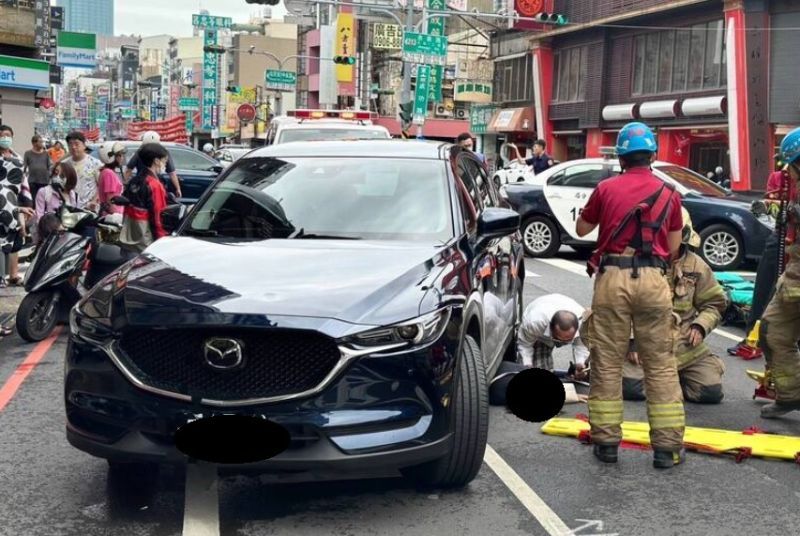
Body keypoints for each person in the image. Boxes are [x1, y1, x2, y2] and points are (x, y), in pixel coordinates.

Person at [576, 121, 685, 469]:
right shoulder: (670, 192)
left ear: (621, 157)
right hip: (654, 280)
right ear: (652, 154)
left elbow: (582, 228)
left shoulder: (606, 188)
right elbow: (674, 246)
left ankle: (606, 443)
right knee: (661, 366)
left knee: (607, 362)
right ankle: (667, 450)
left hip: (612, 278)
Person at [623, 208, 727, 404]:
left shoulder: (697, 266)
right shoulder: (635, 262)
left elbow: (714, 304)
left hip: (685, 348)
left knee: (709, 392)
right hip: (644, 344)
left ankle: (674, 376)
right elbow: (620, 306)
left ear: (684, 235)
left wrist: (700, 326)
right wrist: (632, 342)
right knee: (632, 388)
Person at [728, 164, 798, 357]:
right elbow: (767, 209)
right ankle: (752, 337)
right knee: (765, 288)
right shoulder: (780, 178)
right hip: (782, 236)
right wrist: (775, 212)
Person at [758, 127, 800, 419]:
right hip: (794, 279)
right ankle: (790, 395)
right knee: (772, 332)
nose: (789, 173)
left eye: (791, 166)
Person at [517, 294, 589, 374]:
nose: (562, 342)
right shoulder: (534, 323)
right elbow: (525, 345)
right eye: (558, 339)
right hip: (538, 334)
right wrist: (527, 364)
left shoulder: (584, 324)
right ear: (551, 328)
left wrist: (580, 364)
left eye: (568, 339)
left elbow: (581, 346)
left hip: (559, 311)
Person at [119, 143, 170, 253]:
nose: (165, 165)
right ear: (156, 161)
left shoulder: (135, 180)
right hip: (147, 240)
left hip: (130, 237)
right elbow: (158, 216)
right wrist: (162, 240)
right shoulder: (154, 185)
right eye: (164, 161)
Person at [0, 124, 33, 288]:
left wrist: (26, 203)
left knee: (15, 237)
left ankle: (13, 275)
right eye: (1, 135)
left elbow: (23, 182)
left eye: (7, 135)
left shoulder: (18, 159)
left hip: (14, 202)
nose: (5, 138)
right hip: (2, 202)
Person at [124, 131, 182, 198]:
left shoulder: (139, 152)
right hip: (156, 184)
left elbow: (128, 170)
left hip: (141, 185)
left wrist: (125, 184)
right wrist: (178, 188)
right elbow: (172, 173)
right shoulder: (163, 153)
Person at [63, 131, 103, 210]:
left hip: (90, 208)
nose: (73, 147)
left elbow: (101, 185)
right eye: (70, 144)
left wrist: (95, 201)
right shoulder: (64, 165)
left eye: (76, 144)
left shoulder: (95, 163)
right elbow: (62, 187)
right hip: (70, 210)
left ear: (84, 145)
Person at [97, 141, 126, 216]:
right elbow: (111, 200)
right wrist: (115, 216)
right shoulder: (108, 173)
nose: (122, 157)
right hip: (113, 216)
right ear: (110, 157)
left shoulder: (107, 172)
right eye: (119, 155)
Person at [24, 135, 52, 201]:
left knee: (44, 200)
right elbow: (24, 166)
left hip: (45, 180)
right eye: (40, 142)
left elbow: (49, 166)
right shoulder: (28, 153)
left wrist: (50, 175)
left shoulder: (46, 153)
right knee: (34, 199)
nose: (42, 144)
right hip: (33, 181)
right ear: (34, 143)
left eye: (42, 142)